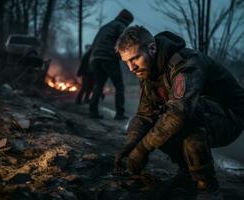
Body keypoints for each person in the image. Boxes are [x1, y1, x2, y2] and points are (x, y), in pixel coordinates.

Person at [113, 25, 244, 200]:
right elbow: (145, 115)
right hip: (202, 113)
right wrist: (130, 146)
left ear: (152, 48)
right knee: (158, 122)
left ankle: (208, 186)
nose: (131, 68)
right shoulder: (148, 72)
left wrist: (143, 149)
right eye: (126, 62)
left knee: (181, 117)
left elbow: (180, 113)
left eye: (135, 58)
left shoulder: (186, 63)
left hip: (230, 117)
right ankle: (187, 173)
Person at [89, 9, 134, 120]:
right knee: (119, 86)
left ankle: (93, 111)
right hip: (108, 57)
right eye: (129, 22)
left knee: (98, 85)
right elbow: (124, 42)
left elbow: (94, 43)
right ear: (127, 20)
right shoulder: (120, 25)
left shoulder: (105, 26)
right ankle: (120, 114)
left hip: (95, 58)